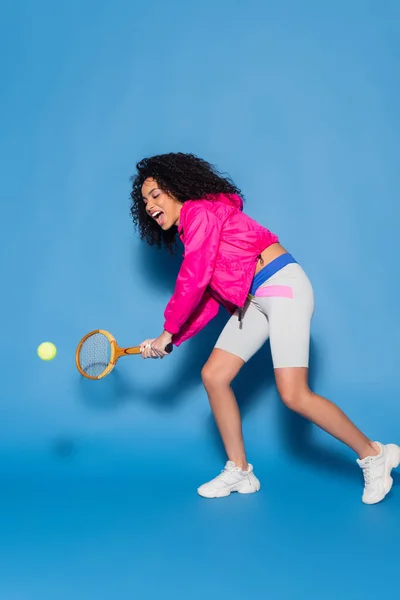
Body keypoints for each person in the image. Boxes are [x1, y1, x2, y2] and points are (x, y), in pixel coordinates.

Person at [130, 152, 399, 504]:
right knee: (214, 375)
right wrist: (172, 338)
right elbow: (209, 297)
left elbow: (193, 278)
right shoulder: (196, 225)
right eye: (144, 200)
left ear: (178, 188)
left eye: (156, 194)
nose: (150, 205)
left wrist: (167, 329)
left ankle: (374, 455)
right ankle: (240, 470)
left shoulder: (199, 213)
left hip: (282, 285)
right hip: (253, 298)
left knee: (294, 395)